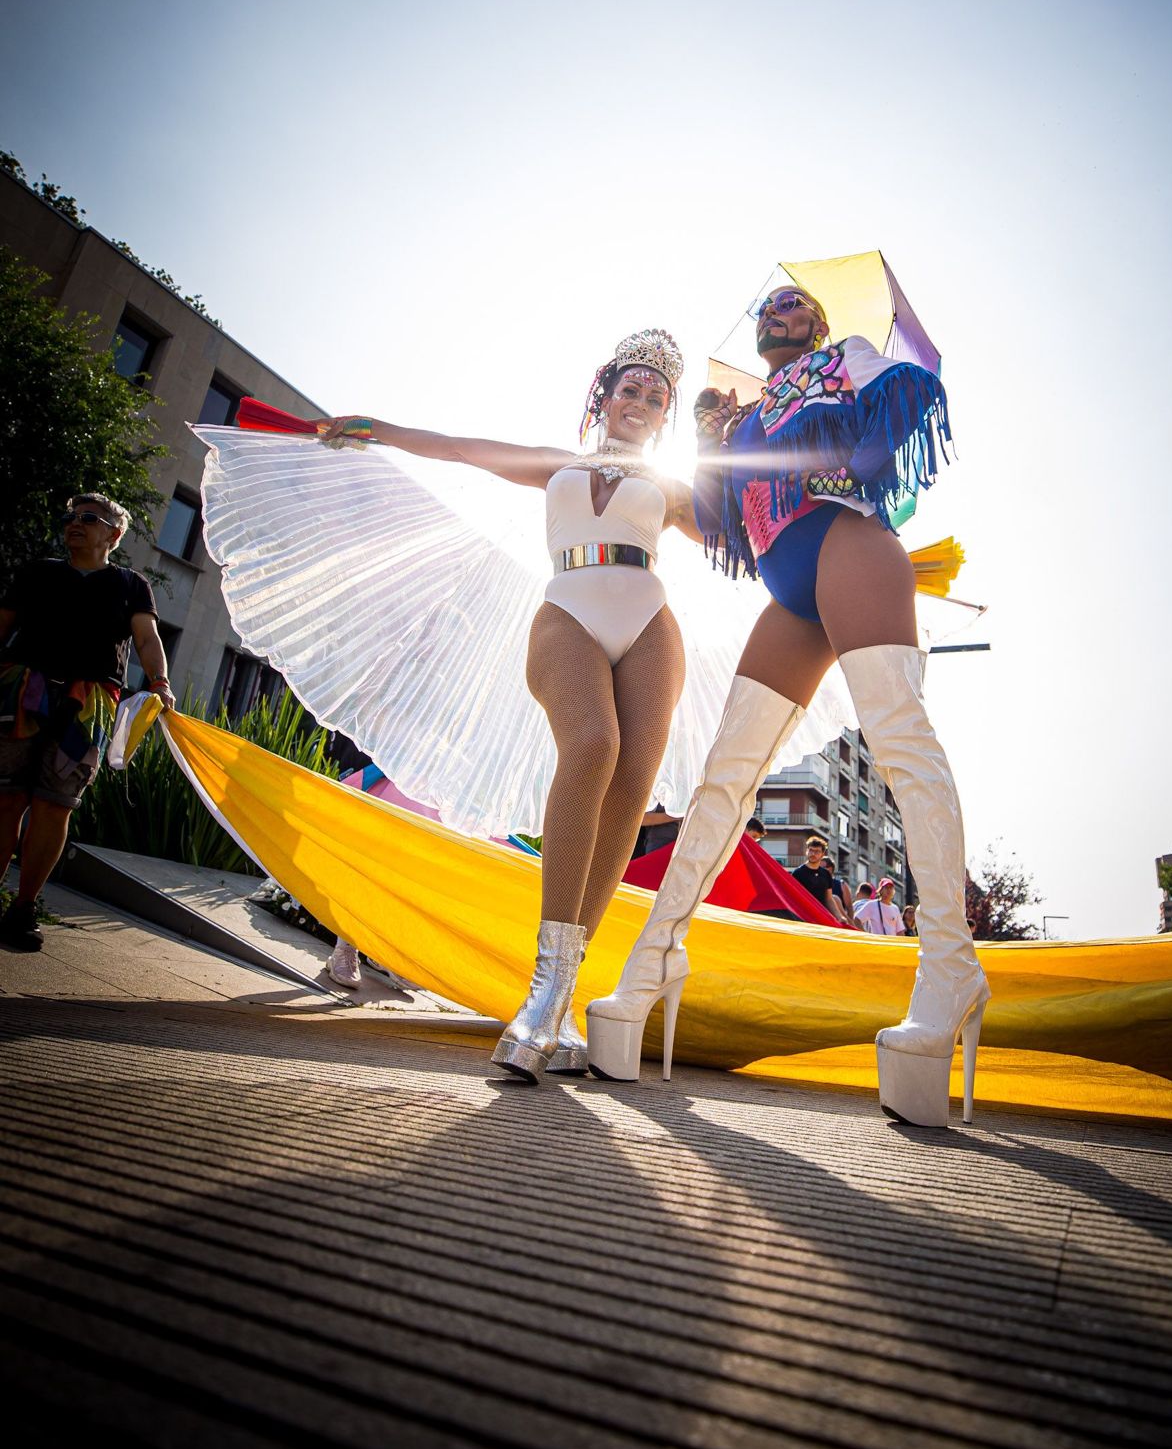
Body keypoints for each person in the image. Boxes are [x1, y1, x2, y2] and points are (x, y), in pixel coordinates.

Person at [587, 280, 988, 1126]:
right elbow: (725, 531)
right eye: (767, 305)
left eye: (795, 303)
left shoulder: (847, 363)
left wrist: (814, 406)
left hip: (851, 544)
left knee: (900, 741)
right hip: (789, 591)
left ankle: (950, 968)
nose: (777, 310)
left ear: (820, 325)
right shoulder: (749, 414)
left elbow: (890, 432)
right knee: (723, 779)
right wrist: (710, 440)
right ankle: (653, 961)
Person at [323, 328, 699, 1082]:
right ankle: (542, 986)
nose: (642, 402)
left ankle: (558, 1001)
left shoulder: (678, 488)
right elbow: (461, 447)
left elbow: (751, 540)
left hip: (651, 624)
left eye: (656, 398)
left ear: (665, 418)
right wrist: (380, 430)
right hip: (568, 610)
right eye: (631, 388)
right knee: (592, 744)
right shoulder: (556, 464)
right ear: (606, 395)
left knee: (631, 789)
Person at [0, 493, 175, 950]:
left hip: (88, 702)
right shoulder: (38, 572)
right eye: (71, 516)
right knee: (4, 799)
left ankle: (23, 909)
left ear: (113, 535)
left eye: (88, 518)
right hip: (21, 690)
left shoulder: (132, 585)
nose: (74, 524)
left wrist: (159, 682)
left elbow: (147, 636)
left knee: (54, 806)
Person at [791, 835, 849, 926]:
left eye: (817, 851)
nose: (813, 854)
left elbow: (829, 899)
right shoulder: (798, 873)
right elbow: (792, 898)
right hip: (803, 919)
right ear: (807, 851)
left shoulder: (826, 874)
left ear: (822, 854)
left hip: (821, 918)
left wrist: (839, 916)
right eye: (811, 850)